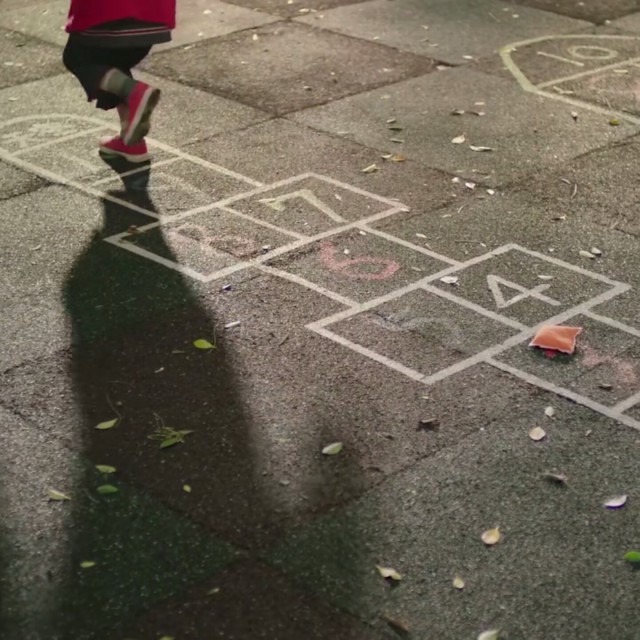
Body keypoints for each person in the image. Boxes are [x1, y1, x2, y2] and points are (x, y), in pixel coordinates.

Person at [63, 0, 176, 163]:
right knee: (113, 67)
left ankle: (133, 91)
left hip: (112, 12)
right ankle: (131, 142)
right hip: (154, 15)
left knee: (77, 58)